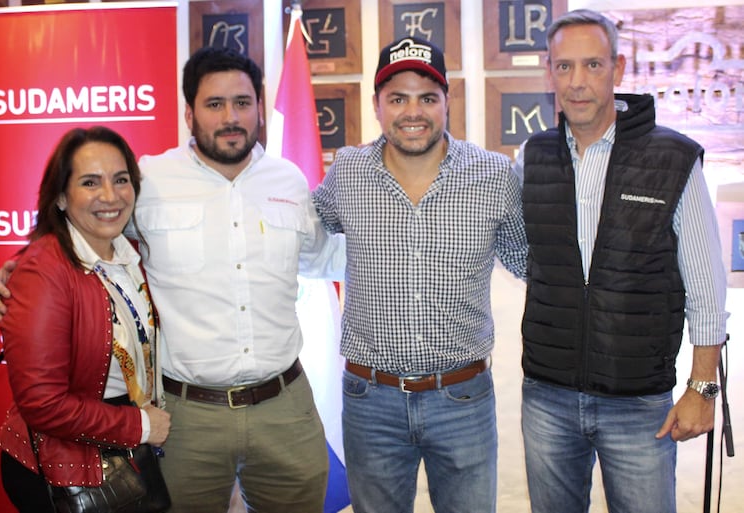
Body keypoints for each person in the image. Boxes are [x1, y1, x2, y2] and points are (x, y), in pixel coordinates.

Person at [0, 47, 345, 513]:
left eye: (242, 102)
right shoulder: (150, 179)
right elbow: (87, 229)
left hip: (284, 405)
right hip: (185, 414)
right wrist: (17, 266)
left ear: (259, 106)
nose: (230, 116)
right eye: (214, 104)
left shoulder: (290, 180)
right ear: (189, 113)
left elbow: (321, 257)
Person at [514, 9, 729, 513]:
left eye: (592, 65)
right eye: (564, 67)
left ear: (619, 67)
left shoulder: (673, 159)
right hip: (547, 400)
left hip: (639, 404)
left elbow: (705, 286)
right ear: (549, 73)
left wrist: (701, 386)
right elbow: (530, 257)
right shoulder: (533, 157)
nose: (578, 82)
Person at [311, 36, 527, 513]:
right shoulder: (347, 172)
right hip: (370, 401)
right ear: (377, 105)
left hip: (463, 398)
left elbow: (531, 262)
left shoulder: (494, 175)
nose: (414, 112)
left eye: (428, 98)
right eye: (398, 98)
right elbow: (301, 238)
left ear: (447, 101)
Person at [0, 126, 171, 512]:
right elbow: (42, 402)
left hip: (121, 443)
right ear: (60, 196)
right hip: (67, 466)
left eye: (121, 179)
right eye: (90, 182)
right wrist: (139, 426)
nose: (110, 196)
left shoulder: (130, 254)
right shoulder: (42, 271)